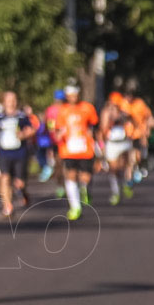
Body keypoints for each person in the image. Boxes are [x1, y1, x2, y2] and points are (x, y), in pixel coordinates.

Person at [53, 85, 98, 221]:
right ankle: (75, 207)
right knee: (71, 176)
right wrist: (59, 135)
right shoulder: (63, 111)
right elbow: (58, 128)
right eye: (70, 95)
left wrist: (93, 133)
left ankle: (84, 191)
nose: (73, 97)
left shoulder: (87, 108)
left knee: (85, 178)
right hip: (69, 149)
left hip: (84, 149)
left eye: (75, 94)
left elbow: (95, 124)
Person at [0, 91, 34, 216]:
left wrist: (24, 134)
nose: (11, 103)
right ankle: (7, 205)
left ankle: (23, 191)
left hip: (20, 152)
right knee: (4, 177)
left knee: (19, 183)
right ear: (4, 102)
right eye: (9, 100)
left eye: (14, 100)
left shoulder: (22, 116)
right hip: (4, 152)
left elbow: (31, 130)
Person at [99, 95, 135, 205]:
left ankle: (127, 184)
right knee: (114, 169)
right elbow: (103, 128)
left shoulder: (123, 112)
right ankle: (116, 192)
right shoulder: (106, 113)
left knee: (126, 165)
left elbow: (131, 122)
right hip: (112, 143)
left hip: (124, 142)